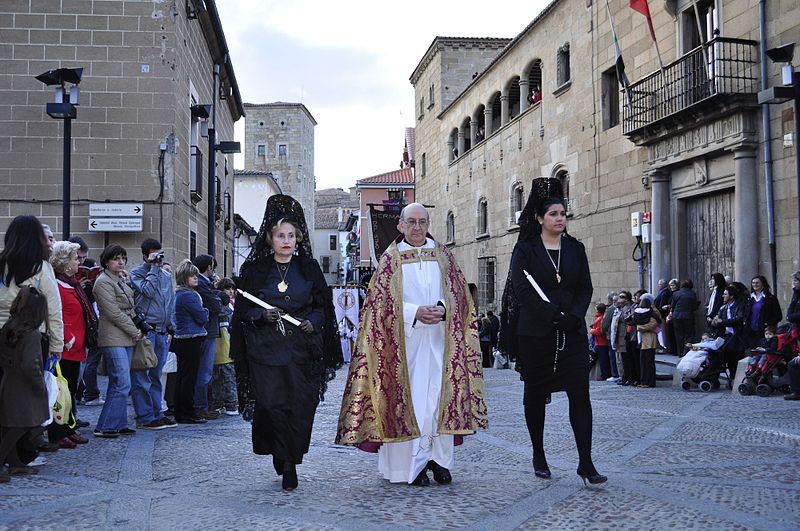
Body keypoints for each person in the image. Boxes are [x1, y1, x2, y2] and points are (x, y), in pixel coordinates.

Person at [337, 202, 487, 487]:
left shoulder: (443, 256)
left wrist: (443, 308)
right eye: (411, 222)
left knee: (437, 402)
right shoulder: (391, 259)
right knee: (413, 403)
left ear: (428, 224)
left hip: (441, 344)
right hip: (404, 346)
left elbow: (460, 296)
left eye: (422, 222)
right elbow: (378, 305)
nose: (417, 228)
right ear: (401, 225)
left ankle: (439, 462)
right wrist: (413, 312)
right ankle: (409, 467)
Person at [231, 194, 343, 491]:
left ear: (299, 238)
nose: (286, 240)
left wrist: (314, 322)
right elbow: (243, 311)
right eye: (280, 235)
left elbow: (323, 307)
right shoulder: (254, 272)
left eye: (291, 235)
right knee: (271, 405)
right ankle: (283, 454)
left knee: (300, 406)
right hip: (265, 351)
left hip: (301, 351)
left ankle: (291, 460)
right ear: (269, 238)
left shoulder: (309, 269)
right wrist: (262, 314)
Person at [505, 177, 605, 485]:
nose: (560, 218)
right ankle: (539, 454)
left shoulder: (576, 248)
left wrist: (573, 315)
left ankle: (586, 463)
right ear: (539, 218)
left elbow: (585, 287)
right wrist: (552, 316)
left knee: (580, 395)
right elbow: (523, 290)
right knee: (535, 396)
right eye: (553, 214)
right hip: (536, 335)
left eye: (563, 214)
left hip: (571, 334)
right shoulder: (525, 250)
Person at [0, 215, 64, 459]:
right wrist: (57, 345)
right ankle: (23, 452)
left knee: (5, 397)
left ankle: (12, 456)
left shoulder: (2, 263)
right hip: (29, 339)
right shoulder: (40, 267)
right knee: (30, 399)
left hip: (2, 338)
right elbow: (53, 309)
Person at [0, 286, 51, 481]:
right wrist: (39, 385)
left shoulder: (9, 325)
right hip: (23, 387)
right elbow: (31, 364)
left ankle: (15, 463)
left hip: (10, 381)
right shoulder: (32, 334)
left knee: (10, 424)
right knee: (19, 426)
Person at [47, 241, 94, 448]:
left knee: (71, 390)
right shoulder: (57, 285)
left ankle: (68, 427)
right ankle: (58, 432)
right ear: (66, 264)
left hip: (76, 346)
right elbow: (55, 314)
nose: (79, 262)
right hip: (65, 347)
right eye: (76, 259)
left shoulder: (73, 284)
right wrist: (65, 340)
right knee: (61, 392)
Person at [92, 244, 141, 438]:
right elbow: (113, 313)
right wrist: (134, 330)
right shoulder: (103, 282)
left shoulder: (120, 279)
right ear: (106, 261)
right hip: (113, 335)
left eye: (123, 258)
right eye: (116, 258)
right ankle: (105, 425)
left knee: (118, 382)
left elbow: (131, 304)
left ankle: (118, 423)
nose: (121, 262)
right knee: (122, 382)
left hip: (125, 335)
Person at [129, 238, 176, 430]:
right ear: (145, 256)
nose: (158, 258)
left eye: (160, 254)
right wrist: (154, 268)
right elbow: (147, 291)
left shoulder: (165, 275)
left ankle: (157, 412)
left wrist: (171, 327)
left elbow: (169, 301)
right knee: (142, 376)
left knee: (157, 376)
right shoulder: (136, 274)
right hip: (147, 332)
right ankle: (145, 416)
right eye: (154, 254)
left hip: (162, 332)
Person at [171, 260, 208, 424]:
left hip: (183, 339)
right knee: (189, 378)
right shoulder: (188, 295)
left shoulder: (180, 294)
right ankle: (187, 412)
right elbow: (202, 317)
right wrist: (205, 310)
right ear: (184, 277)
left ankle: (181, 411)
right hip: (191, 339)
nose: (196, 277)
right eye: (192, 275)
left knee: (183, 377)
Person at [191, 254, 223, 421]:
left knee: (205, 371)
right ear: (208, 267)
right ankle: (200, 407)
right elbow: (216, 305)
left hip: (208, 330)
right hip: (207, 330)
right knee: (204, 371)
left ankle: (203, 405)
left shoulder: (205, 283)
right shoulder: (202, 284)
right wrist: (220, 296)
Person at [211, 277, 238, 416]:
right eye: (228, 288)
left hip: (224, 348)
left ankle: (224, 403)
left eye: (232, 289)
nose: (231, 291)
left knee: (224, 379)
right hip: (223, 347)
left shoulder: (231, 306)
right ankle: (226, 404)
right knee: (223, 379)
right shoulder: (225, 309)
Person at [711, 284, 747, 381]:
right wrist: (715, 322)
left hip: (736, 336)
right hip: (724, 336)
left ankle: (735, 378)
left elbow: (739, 319)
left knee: (734, 358)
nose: (723, 296)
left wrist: (722, 321)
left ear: (731, 296)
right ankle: (713, 378)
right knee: (717, 355)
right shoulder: (723, 307)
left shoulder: (739, 306)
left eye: (725, 294)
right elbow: (718, 320)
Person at [743, 275, 782, 348]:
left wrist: (766, 323)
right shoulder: (749, 298)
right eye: (753, 283)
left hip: (764, 332)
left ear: (763, 284)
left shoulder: (770, 298)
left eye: (757, 283)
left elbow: (778, 316)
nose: (755, 285)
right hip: (751, 331)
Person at [635, 294, 661, 388]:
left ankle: (649, 381)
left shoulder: (654, 311)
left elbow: (653, 324)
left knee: (648, 361)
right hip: (644, 339)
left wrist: (640, 327)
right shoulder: (647, 310)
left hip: (650, 338)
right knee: (643, 361)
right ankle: (644, 380)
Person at [670, 279, 699, 356]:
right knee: (689, 335)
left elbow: (672, 306)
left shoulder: (676, 294)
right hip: (688, 316)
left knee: (679, 335)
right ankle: (686, 352)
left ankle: (680, 353)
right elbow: (694, 307)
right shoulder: (692, 294)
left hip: (677, 316)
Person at [600, 293, 620, 381]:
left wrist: (603, 331)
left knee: (613, 355)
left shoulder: (611, 309)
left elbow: (605, 323)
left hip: (611, 335)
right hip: (617, 335)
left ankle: (615, 374)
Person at [590, 303, 611, 380]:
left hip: (601, 343)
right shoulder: (600, 318)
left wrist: (592, 331)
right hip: (600, 343)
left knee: (603, 362)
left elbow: (599, 332)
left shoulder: (600, 318)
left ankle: (605, 375)